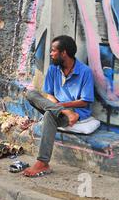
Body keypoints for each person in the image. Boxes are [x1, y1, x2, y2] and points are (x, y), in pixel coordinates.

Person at [23, 35, 95, 177]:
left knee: (50, 114)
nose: (51, 54)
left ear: (64, 53)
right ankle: (63, 112)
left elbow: (85, 101)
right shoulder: (52, 69)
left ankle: (43, 163)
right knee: (30, 94)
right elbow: (49, 94)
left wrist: (61, 107)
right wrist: (62, 109)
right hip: (61, 109)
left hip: (76, 111)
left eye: (53, 50)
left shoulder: (85, 72)